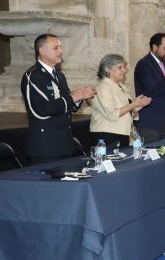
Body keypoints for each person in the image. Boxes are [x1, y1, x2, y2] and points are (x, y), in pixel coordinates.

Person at [22, 34, 96, 164]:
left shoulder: (60, 75)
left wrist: (80, 97)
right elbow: (39, 110)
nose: (61, 51)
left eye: (61, 47)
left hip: (65, 145)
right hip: (46, 148)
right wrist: (72, 97)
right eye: (56, 48)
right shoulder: (32, 76)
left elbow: (69, 106)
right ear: (42, 51)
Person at [89, 54, 151, 147]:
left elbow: (123, 110)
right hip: (107, 135)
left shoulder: (121, 86)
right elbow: (112, 114)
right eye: (119, 67)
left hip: (121, 133)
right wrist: (133, 104)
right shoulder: (103, 87)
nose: (124, 70)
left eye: (124, 67)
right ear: (107, 69)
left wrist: (135, 109)